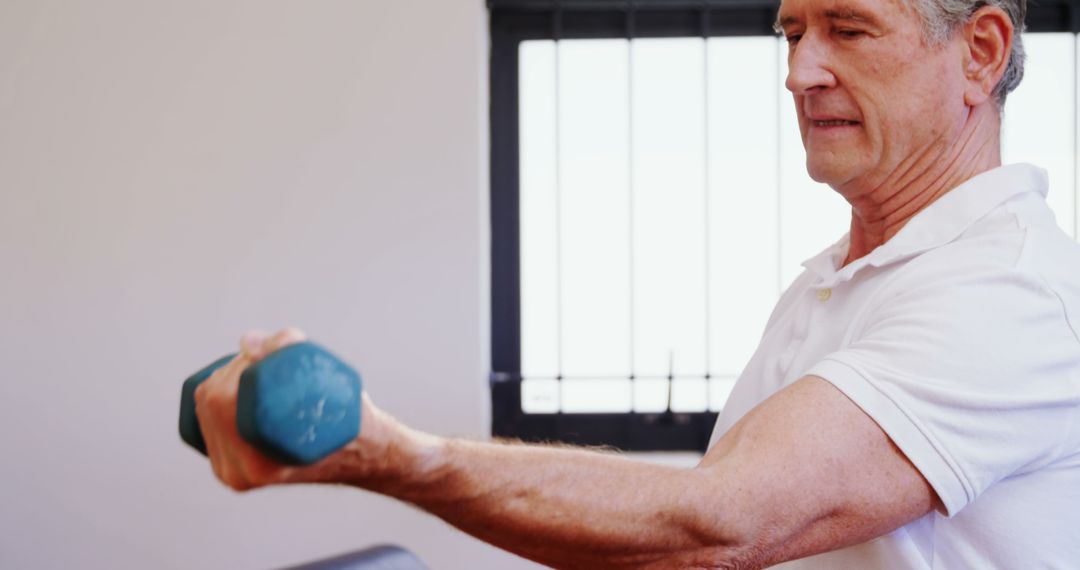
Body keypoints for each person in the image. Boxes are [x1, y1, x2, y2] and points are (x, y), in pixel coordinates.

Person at [194, 0, 1080, 567]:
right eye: (792, 32)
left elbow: (720, 525)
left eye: (846, 28)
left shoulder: (1010, 295)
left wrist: (392, 457)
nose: (800, 69)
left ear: (981, 51)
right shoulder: (839, 281)